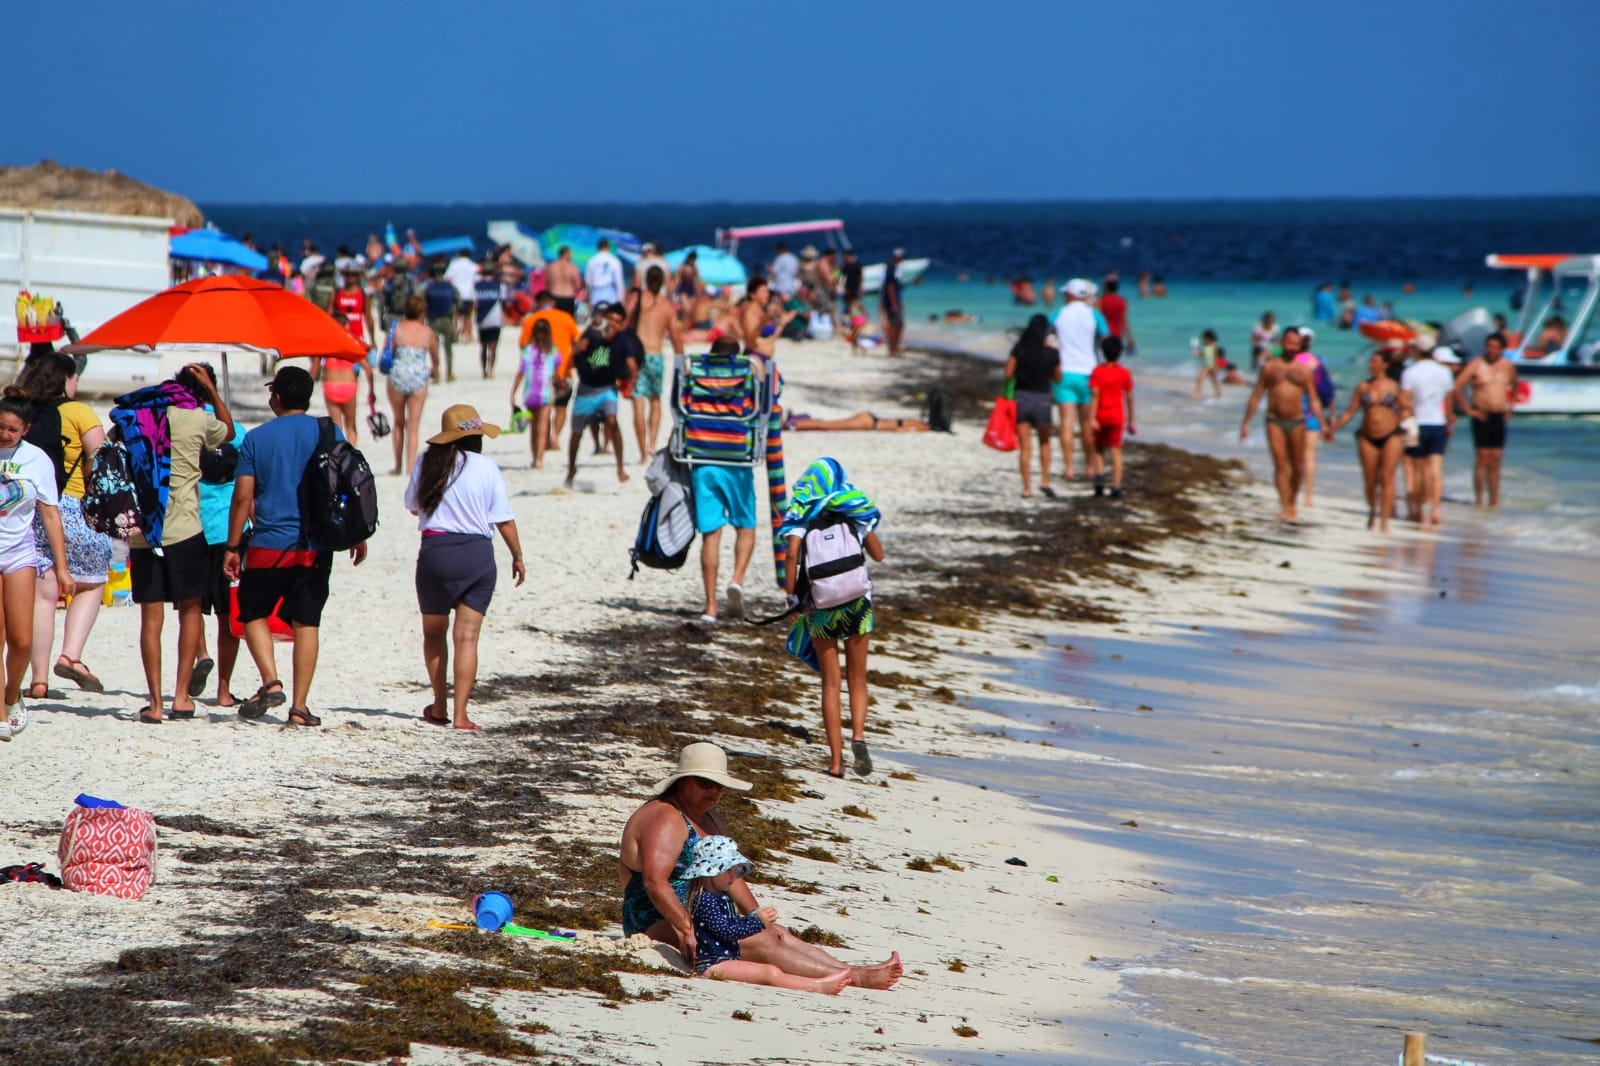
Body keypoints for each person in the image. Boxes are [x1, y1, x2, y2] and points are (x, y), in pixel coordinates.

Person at [617, 742, 903, 987]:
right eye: (704, 783)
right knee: (763, 944)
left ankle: (848, 969)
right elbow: (655, 882)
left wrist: (754, 914)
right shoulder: (665, 818)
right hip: (655, 920)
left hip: (708, 913)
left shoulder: (711, 817)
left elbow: (729, 873)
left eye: (719, 786)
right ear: (682, 782)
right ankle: (854, 977)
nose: (713, 792)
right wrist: (686, 929)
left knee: (776, 934)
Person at [223, 366, 368, 727]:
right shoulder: (327, 430)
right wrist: (356, 532)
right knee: (307, 622)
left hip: (269, 542)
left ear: (276, 397)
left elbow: (242, 498)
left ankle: (271, 680)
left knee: (252, 613)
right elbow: (346, 484)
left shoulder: (257, 439)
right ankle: (300, 709)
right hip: (316, 544)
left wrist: (232, 545)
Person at [405, 404, 525, 731]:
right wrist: (517, 554)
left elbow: (413, 507)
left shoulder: (426, 462)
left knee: (434, 633)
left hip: (435, 553)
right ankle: (460, 715)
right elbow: (504, 519)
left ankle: (440, 706)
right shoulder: (487, 467)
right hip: (477, 556)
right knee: (467, 639)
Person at [127, 364, 234, 724]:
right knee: (190, 610)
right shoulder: (196, 419)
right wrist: (213, 392)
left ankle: (155, 704)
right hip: (186, 529)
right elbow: (229, 432)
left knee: (151, 618)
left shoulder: (140, 418)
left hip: (146, 532)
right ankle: (183, 697)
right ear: (198, 393)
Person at [12, 354, 112, 699]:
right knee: (92, 581)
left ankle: (39, 680)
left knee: (44, 596)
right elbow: (101, 459)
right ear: (66, 379)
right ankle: (71, 655)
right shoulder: (78, 412)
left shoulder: (24, 414)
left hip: (31, 511)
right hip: (73, 507)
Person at [779, 458, 884, 778]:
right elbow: (878, 555)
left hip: (822, 606)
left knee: (830, 683)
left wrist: (792, 597)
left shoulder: (801, 512)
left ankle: (837, 763)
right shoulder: (851, 509)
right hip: (857, 603)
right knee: (858, 679)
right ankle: (859, 737)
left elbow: (793, 553)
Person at [682, 836, 851, 995]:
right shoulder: (705, 900)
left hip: (723, 958)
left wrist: (753, 919)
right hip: (711, 964)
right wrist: (757, 922)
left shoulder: (719, 896)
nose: (733, 877)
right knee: (770, 972)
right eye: (727, 871)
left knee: (770, 970)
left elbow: (730, 924)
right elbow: (727, 931)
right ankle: (819, 987)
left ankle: (819, 982)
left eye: (735, 871)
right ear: (709, 871)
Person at [0, 390, 74, 740]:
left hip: (18, 553)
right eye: (0, 427)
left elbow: (49, 514)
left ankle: (11, 694)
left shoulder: (37, 460)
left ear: (25, 429)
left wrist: (62, 567)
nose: (4, 435)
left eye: (12, 430)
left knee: (22, 639)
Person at [691, 338, 758, 623]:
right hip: (736, 458)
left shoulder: (695, 375)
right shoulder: (746, 375)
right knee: (745, 525)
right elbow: (761, 412)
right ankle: (738, 578)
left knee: (711, 533)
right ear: (736, 359)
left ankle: (710, 606)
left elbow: (681, 410)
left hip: (703, 458)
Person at [1239, 331, 1332, 522]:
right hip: (1274, 420)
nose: (1292, 347)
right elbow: (1256, 395)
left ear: (1300, 346)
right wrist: (1246, 424)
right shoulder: (1269, 368)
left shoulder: (1304, 371)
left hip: (1297, 421)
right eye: (1289, 343)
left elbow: (1314, 400)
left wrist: (1324, 425)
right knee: (1281, 464)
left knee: (1297, 466)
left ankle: (1292, 503)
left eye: (1296, 344)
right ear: (1282, 342)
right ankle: (1284, 506)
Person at [194, 415, 249, 707]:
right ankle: (224, 691)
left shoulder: (185, 425)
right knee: (228, 615)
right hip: (230, 529)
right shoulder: (237, 432)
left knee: (191, 607)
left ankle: (202, 654)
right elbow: (249, 487)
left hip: (193, 526)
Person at [1330, 350, 1411, 532]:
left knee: (1387, 478)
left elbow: (1407, 409)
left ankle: (1384, 521)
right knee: (1369, 479)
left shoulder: (1395, 387)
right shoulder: (1363, 387)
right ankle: (1373, 511)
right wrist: (1333, 428)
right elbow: (1351, 411)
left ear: (1385, 365)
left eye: (1375, 362)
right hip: (1367, 436)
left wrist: (1403, 420)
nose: (1371, 365)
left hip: (1391, 435)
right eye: (1370, 362)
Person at [565, 303, 634, 487]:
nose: (612, 324)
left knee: (612, 421)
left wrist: (632, 384)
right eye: (610, 319)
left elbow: (632, 364)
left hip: (607, 389)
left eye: (618, 322)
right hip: (586, 389)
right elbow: (572, 358)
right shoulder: (591, 334)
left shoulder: (623, 341)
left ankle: (620, 468)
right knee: (576, 434)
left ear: (621, 325)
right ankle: (571, 469)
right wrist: (576, 351)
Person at [1453, 332, 1519, 509]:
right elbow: (1457, 386)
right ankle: (1479, 500)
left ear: (1502, 349)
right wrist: (1468, 410)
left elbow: (1515, 386)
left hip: (1498, 416)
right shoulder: (1476, 365)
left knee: (1496, 459)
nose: (1491, 350)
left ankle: (1494, 501)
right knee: (1482, 458)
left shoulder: (1508, 366)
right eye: (1488, 346)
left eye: (1495, 347)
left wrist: (1510, 409)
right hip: (1481, 415)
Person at [1400, 336, 1455, 526]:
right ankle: (1435, 510)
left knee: (1416, 468)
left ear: (1417, 350)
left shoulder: (1410, 372)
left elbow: (1405, 400)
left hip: (1416, 423)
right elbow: (1448, 402)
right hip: (1438, 423)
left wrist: (1405, 419)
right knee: (1435, 468)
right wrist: (1449, 422)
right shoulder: (1445, 372)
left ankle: (1417, 510)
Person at [1004, 314, 1061, 498]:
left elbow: (1008, 373)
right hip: (1042, 399)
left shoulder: (1019, 349)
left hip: (1022, 398)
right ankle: (1044, 480)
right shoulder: (1052, 353)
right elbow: (1058, 378)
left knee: (1025, 447)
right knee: (1045, 442)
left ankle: (1026, 488)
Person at [519, 291, 581, 451]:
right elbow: (578, 343)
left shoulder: (531, 320)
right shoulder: (566, 317)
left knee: (540, 412)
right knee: (561, 407)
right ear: (553, 303)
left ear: (538, 302)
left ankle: (544, 439)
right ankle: (555, 437)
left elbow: (524, 346)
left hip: (539, 375)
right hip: (563, 371)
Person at [387, 295, 441, 477]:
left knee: (398, 422)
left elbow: (390, 352)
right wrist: (434, 370)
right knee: (413, 425)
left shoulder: (397, 330)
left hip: (398, 375)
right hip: (418, 376)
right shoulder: (427, 332)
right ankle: (410, 467)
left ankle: (397, 465)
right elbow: (436, 359)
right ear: (422, 312)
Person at [633, 266, 683, 463]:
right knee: (655, 400)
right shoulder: (667, 306)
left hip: (637, 355)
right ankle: (652, 445)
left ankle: (642, 452)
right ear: (663, 282)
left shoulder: (637, 300)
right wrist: (682, 362)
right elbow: (676, 338)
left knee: (638, 402)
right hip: (656, 356)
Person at [1052, 279, 1099, 481]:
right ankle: (1089, 466)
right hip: (1089, 373)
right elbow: (1107, 341)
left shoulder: (1057, 315)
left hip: (1064, 372)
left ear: (1070, 295)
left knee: (1066, 424)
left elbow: (1046, 339)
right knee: (1087, 424)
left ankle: (1069, 467)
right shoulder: (1095, 315)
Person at [1089, 335, 1135, 498]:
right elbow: (1129, 398)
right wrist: (1132, 420)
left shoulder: (1097, 371)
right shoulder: (1124, 373)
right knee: (1116, 451)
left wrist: (1092, 418)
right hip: (1117, 416)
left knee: (1099, 449)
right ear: (1120, 353)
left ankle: (1100, 478)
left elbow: (1094, 395)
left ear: (1102, 352)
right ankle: (1116, 486)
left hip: (1100, 415)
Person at [510, 318, 560, 469]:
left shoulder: (528, 350)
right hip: (545, 393)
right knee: (543, 426)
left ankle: (535, 458)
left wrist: (513, 392)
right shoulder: (553, 351)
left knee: (533, 428)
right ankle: (539, 458)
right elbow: (556, 374)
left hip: (530, 393)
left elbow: (521, 372)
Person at [311, 338, 375, 448]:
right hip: (349, 385)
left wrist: (305, 391)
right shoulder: (350, 344)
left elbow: (314, 369)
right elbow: (368, 369)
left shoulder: (326, 345)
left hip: (331, 385)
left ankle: (339, 456)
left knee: (337, 426)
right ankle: (350, 455)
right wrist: (371, 391)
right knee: (350, 426)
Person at [422, 261, 459, 382]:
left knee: (434, 349)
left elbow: (422, 303)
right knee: (448, 348)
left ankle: (436, 373)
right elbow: (458, 302)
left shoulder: (428, 287)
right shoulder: (451, 287)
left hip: (433, 321)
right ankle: (449, 373)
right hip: (447, 320)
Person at [472, 264, 507, 378]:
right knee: (493, 347)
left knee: (483, 347)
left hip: (482, 319)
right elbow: (504, 301)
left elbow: (473, 302)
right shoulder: (500, 285)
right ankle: (491, 370)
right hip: (496, 318)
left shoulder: (476, 285)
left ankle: (483, 371)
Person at [444, 250, 479, 345]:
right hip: (469, 293)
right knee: (467, 315)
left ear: (459, 255)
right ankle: (467, 335)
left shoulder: (454, 264)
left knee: (455, 315)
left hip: (456, 293)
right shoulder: (473, 266)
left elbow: (447, 278)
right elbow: (476, 281)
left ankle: (455, 334)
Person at [880, 249, 907, 358]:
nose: (903, 259)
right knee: (896, 325)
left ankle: (894, 348)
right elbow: (890, 287)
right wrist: (894, 303)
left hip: (893, 301)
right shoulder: (891, 268)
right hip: (891, 302)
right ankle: (893, 349)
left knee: (897, 324)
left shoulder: (893, 268)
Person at [584, 238, 625, 309]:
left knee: (597, 316)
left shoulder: (591, 260)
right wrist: (620, 298)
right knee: (608, 316)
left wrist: (588, 296)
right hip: (609, 293)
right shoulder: (614, 260)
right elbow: (619, 281)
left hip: (595, 293)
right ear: (608, 247)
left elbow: (588, 280)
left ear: (598, 247)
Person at [1099, 278, 1135, 353]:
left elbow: (1098, 318)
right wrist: (1130, 338)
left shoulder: (1101, 300)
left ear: (1106, 288)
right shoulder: (1122, 301)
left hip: (1103, 334)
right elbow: (1124, 320)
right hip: (1117, 335)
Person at [545, 246, 582, 314]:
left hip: (554, 296)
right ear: (566, 253)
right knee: (567, 321)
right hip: (568, 297)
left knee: (554, 320)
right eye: (571, 254)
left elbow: (547, 284)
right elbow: (578, 285)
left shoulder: (551, 267)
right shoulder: (573, 267)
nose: (571, 256)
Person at [1194, 329, 1223, 399]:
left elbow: (1217, 358)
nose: (1203, 340)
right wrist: (1195, 350)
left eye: (1204, 338)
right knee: (1199, 379)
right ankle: (1198, 393)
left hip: (1212, 367)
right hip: (1206, 366)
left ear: (1209, 338)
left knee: (1215, 381)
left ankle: (1219, 393)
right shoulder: (1204, 347)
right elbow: (1200, 355)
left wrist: (1216, 367)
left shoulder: (1214, 347)